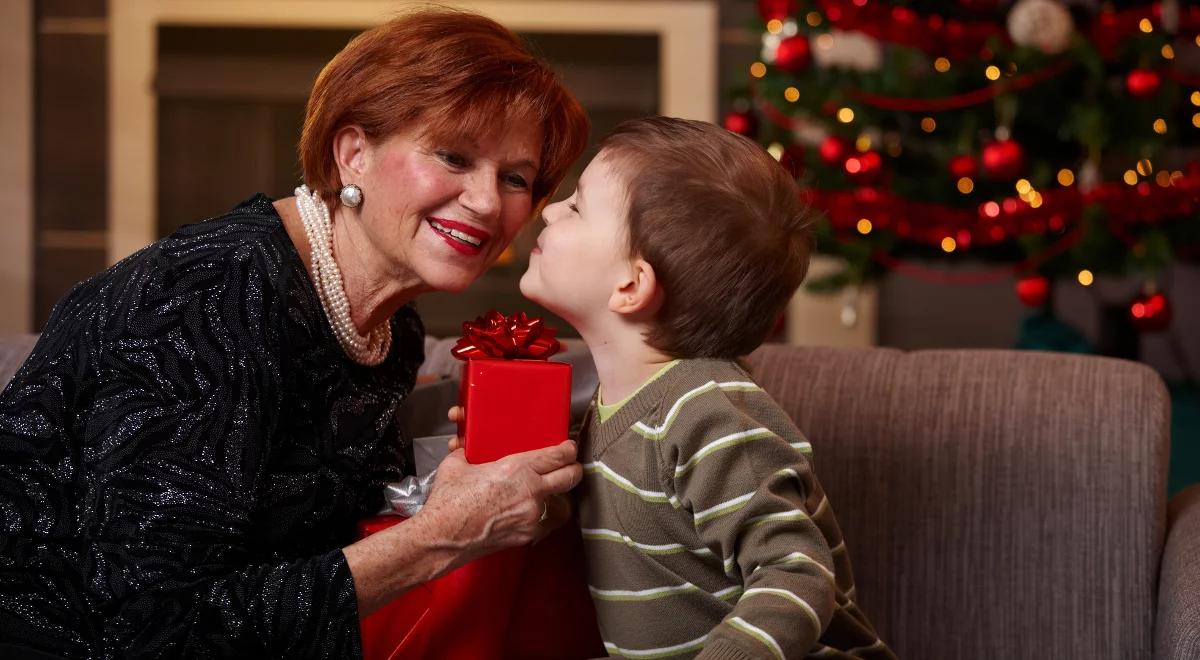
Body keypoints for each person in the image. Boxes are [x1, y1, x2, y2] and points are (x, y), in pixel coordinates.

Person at [0, 8, 588, 658]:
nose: (486, 200)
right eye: (453, 155)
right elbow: (157, 628)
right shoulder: (208, 296)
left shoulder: (392, 329)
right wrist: (447, 533)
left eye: (515, 178)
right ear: (353, 152)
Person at [518, 117, 894, 658]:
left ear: (631, 286)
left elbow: (798, 574)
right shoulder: (611, 408)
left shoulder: (707, 412)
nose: (550, 208)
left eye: (576, 206)